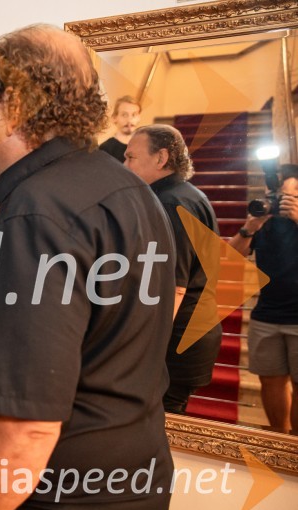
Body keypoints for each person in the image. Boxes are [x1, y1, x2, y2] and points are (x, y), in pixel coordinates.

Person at [0, 25, 175, 510]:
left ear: (10, 106)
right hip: (126, 498)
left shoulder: (40, 213)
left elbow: (24, 426)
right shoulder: (129, 189)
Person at [124, 124, 222, 414]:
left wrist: (145, 351)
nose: (124, 165)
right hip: (192, 332)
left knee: (162, 428)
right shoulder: (188, 194)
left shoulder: (170, 202)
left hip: (177, 339)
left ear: (161, 158)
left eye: (130, 157)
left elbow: (174, 288)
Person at [228, 164, 298, 433]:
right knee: (270, 381)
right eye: (278, 196)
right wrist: (250, 226)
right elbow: (230, 258)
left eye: (290, 196)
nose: (282, 202)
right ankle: (279, 439)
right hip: (266, 315)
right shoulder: (264, 222)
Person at [99, 95, 141, 162]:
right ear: (114, 118)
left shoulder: (143, 148)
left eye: (134, 115)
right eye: (124, 115)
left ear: (139, 117)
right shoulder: (106, 149)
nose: (129, 120)